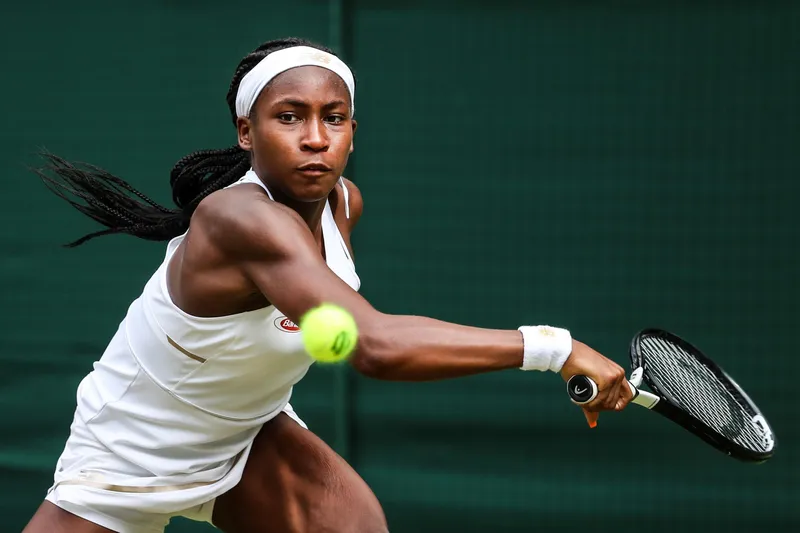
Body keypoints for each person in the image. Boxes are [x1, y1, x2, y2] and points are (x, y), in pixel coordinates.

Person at [22, 37, 633, 533]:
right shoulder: (238, 218)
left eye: (333, 119)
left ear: (351, 131)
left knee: (353, 527)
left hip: (245, 433)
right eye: (289, 117)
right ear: (246, 132)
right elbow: (377, 345)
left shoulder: (344, 205)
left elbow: (331, 325)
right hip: (127, 457)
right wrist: (554, 348)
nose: (316, 138)